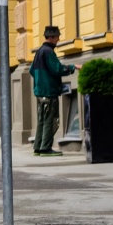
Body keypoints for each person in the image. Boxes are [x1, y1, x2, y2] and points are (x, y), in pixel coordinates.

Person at [31, 25, 76, 156]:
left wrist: (40, 80)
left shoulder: (39, 51)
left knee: (41, 120)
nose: (58, 39)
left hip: (40, 92)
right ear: (50, 38)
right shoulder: (49, 52)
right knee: (51, 120)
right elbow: (58, 69)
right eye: (57, 37)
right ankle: (46, 148)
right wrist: (73, 67)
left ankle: (38, 147)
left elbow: (32, 70)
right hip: (49, 92)